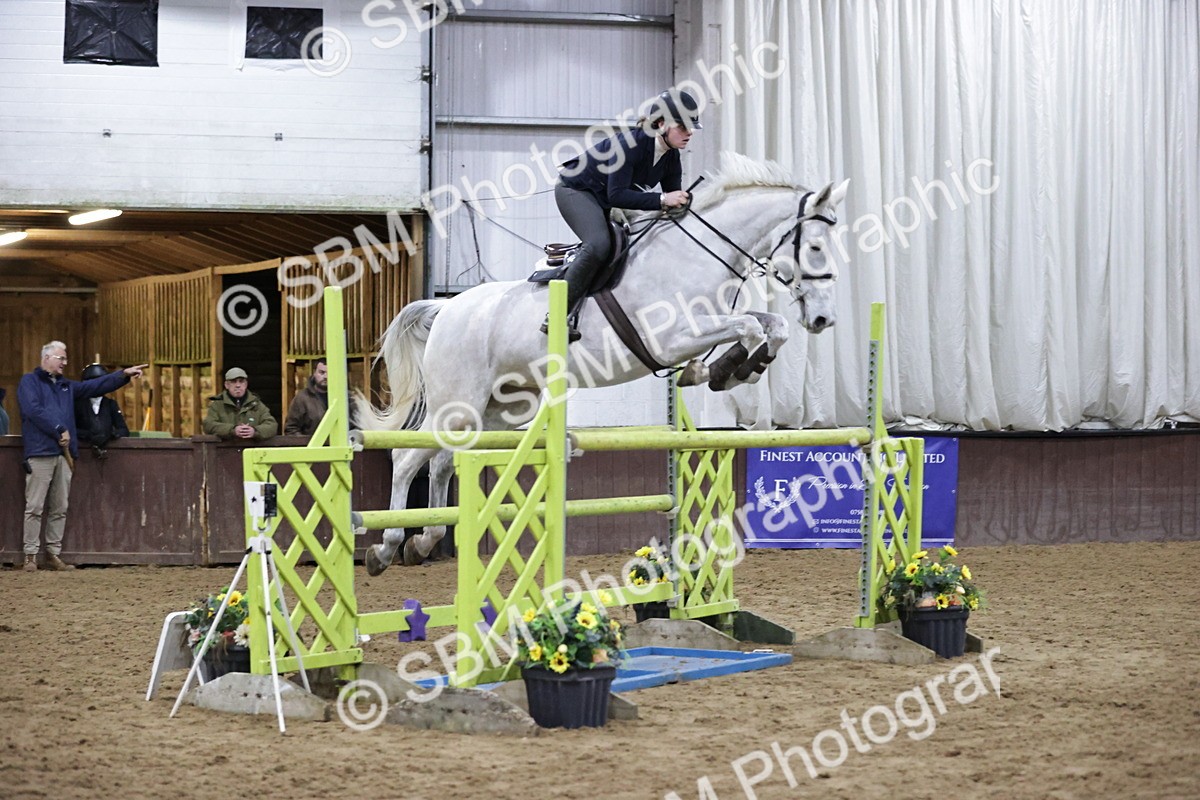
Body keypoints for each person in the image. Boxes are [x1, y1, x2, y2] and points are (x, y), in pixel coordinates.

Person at [544, 88, 703, 341]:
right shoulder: (629, 145)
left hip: (607, 197)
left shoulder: (672, 156)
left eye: (692, 127)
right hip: (576, 190)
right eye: (682, 126)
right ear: (660, 124)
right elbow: (617, 195)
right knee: (599, 245)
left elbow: (673, 201)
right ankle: (556, 315)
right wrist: (663, 199)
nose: (690, 132)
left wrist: (686, 203)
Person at [17, 341, 147, 572]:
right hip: (41, 451)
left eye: (65, 359)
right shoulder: (29, 382)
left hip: (62, 453)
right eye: (61, 358)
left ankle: (52, 553)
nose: (65, 363)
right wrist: (59, 428)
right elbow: (33, 410)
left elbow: (95, 386)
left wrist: (122, 376)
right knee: (35, 506)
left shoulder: (67, 386)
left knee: (60, 506)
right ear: (46, 358)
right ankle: (30, 555)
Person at [202, 367, 278, 441]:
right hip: (225, 450)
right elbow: (208, 425)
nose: (238, 385)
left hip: (251, 451)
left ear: (246, 384)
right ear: (226, 385)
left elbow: (272, 425)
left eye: (241, 381)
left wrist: (255, 431)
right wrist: (232, 430)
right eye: (233, 381)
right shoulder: (217, 405)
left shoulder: (256, 404)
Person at [74, 363, 130, 458]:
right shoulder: (77, 404)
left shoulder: (110, 404)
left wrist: (111, 434)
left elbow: (123, 430)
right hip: (83, 453)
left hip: (109, 453)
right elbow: (70, 428)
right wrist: (87, 435)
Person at [284, 358, 328, 436]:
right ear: (314, 373)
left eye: (329, 373)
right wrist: (307, 444)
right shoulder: (302, 398)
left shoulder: (346, 398)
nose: (326, 376)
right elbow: (291, 429)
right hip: (312, 447)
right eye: (322, 372)